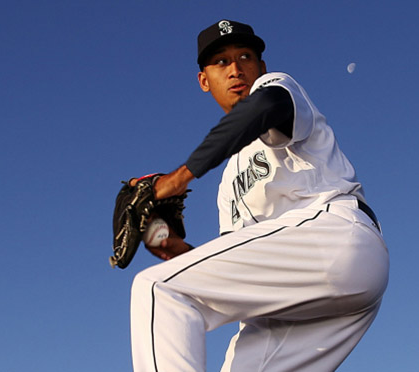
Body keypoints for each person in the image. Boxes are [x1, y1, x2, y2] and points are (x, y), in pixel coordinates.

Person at [128, 19, 389, 371]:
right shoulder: (227, 186)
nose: (235, 69)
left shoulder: (278, 87)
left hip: (336, 237)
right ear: (204, 81)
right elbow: (237, 271)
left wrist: (177, 179)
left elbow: (265, 107)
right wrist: (178, 252)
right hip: (293, 296)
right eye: (220, 62)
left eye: (245, 56)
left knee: (158, 290)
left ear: (261, 66)